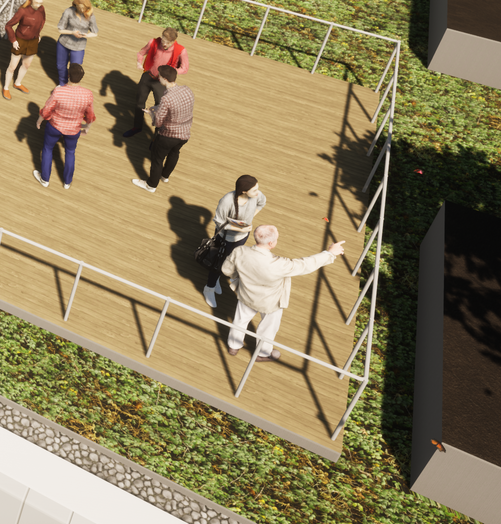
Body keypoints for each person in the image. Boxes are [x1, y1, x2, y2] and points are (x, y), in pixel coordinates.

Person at [219, 225, 346, 360]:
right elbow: (305, 264)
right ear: (271, 243)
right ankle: (262, 354)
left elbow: (226, 270)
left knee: (240, 320)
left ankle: (233, 346)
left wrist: (239, 278)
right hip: (271, 302)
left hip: (246, 295)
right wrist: (330, 253)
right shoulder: (280, 264)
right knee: (268, 328)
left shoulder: (239, 251)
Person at [203, 176, 265, 307]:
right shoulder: (227, 201)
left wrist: (250, 217)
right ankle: (209, 288)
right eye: (254, 190)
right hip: (225, 237)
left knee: (230, 261)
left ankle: (216, 279)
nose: (258, 192)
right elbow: (219, 222)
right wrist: (240, 228)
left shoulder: (256, 195)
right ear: (244, 191)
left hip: (241, 237)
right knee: (218, 262)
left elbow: (262, 202)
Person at [130, 67, 194, 193]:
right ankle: (165, 176)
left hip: (168, 136)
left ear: (164, 79)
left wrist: (151, 113)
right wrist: (158, 108)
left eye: (159, 76)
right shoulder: (187, 90)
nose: (158, 78)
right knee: (174, 153)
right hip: (185, 134)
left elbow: (158, 122)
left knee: (157, 159)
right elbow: (179, 106)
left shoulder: (166, 98)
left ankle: (151, 185)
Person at [35, 63, 95, 189]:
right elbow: (90, 115)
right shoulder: (88, 94)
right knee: (70, 153)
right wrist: (87, 127)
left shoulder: (58, 91)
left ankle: (45, 179)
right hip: (74, 129)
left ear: (68, 75)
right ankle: (67, 182)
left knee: (47, 149)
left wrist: (39, 121)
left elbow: (47, 110)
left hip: (54, 126)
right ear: (81, 77)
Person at [121, 28, 188, 139]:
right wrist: (139, 63)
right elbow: (141, 53)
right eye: (163, 40)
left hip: (162, 83)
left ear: (173, 41)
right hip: (148, 76)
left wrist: (171, 72)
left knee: (160, 109)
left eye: (168, 42)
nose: (164, 44)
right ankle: (137, 127)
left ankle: (157, 135)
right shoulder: (153, 42)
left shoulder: (181, 50)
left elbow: (185, 68)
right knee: (139, 102)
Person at [1, 0, 46, 99]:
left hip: (33, 41)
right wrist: (13, 40)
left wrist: (38, 34)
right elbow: (8, 26)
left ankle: (17, 83)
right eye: (36, 2)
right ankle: (6, 88)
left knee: (26, 65)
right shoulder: (23, 11)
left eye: (41, 3)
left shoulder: (41, 9)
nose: (38, 5)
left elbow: (42, 22)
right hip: (20, 41)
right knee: (12, 67)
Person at [54, 0, 97, 87]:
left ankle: (71, 87)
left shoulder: (90, 16)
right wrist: (72, 32)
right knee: (61, 66)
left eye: (83, 8)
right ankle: (62, 84)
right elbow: (60, 29)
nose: (81, 10)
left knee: (76, 69)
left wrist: (86, 35)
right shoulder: (68, 11)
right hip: (64, 43)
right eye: (79, 7)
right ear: (75, 5)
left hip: (79, 47)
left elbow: (95, 33)